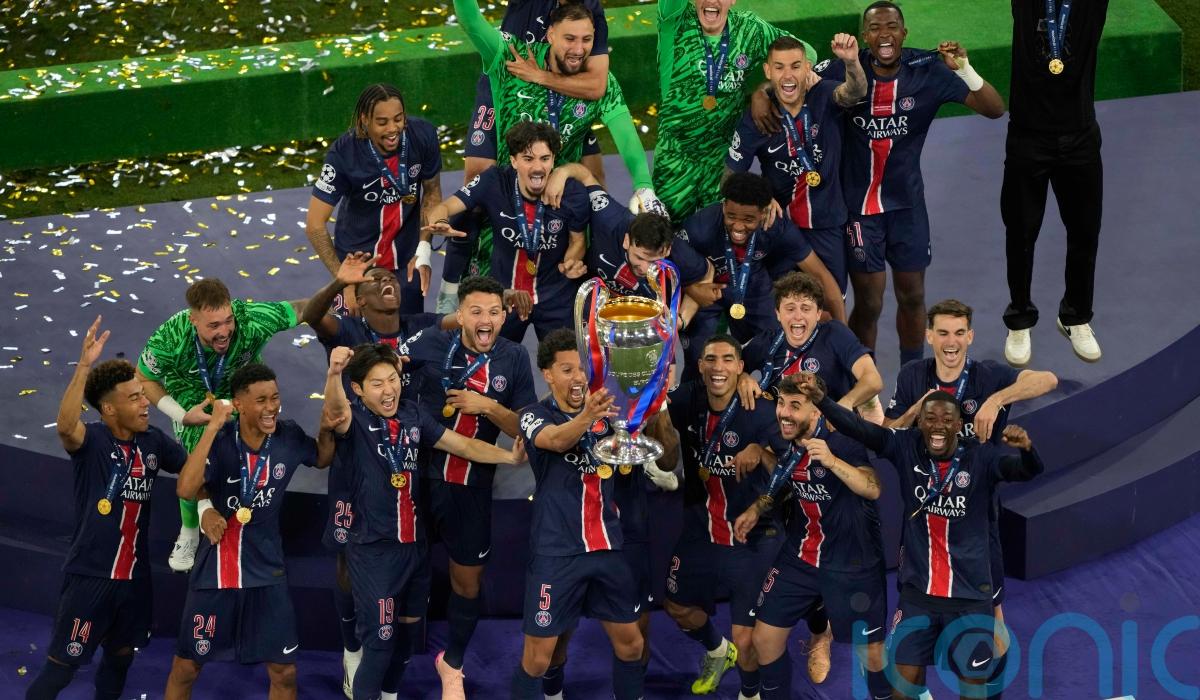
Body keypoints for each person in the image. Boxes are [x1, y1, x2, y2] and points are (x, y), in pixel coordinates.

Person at [797, 375, 1045, 700]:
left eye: (946, 420)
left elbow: (1027, 471)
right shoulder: (905, 446)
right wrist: (822, 400)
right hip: (918, 597)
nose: (937, 426)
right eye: (930, 418)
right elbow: (860, 429)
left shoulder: (980, 458)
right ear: (920, 422)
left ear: (959, 425)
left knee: (973, 691)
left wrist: (1027, 450)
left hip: (969, 597)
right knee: (900, 690)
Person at [323, 343, 524, 700]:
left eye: (392, 379)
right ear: (358, 389)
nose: (389, 390)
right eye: (377, 384)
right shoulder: (353, 420)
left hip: (415, 548)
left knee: (409, 635)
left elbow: (462, 445)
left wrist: (509, 457)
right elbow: (335, 410)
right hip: (374, 552)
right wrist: (334, 374)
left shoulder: (412, 415)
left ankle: (390, 695)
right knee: (379, 647)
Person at [884, 298, 1057, 697]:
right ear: (929, 336)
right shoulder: (912, 375)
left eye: (959, 333)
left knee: (992, 628)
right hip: (925, 519)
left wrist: (997, 400)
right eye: (943, 333)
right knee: (913, 637)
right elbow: (889, 432)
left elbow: (1047, 380)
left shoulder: (987, 375)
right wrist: (915, 412)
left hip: (977, 522)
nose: (951, 342)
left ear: (971, 336)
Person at [820, 0, 1004, 365]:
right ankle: (866, 380)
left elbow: (994, 108)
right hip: (860, 210)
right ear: (864, 36)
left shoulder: (928, 69)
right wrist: (762, 96)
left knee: (913, 296)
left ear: (904, 33)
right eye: (875, 28)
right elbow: (792, 84)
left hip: (907, 207)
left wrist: (965, 69)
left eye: (892, 27)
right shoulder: (842, 68)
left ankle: (912, 376)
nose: (884, 35)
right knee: (869, 302)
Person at [301, 251, 451, 696]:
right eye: (374, 281)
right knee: (348, 557)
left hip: (401, 458)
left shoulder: (418, 324)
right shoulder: (347, 328)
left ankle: (378, 656)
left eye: (391, 277)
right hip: (354, 462)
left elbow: (458, 320)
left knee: (398, 553)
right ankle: (353, 646)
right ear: (358, 300)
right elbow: (312, 315)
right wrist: (339, 282)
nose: (387, 283)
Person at [444, 0, 659, 291]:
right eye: (570, 39)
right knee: (489, 297)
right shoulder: (512, 57)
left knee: (568, 285)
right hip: (506, 205)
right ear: (551, 34)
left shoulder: (599, 83)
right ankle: (449, 286)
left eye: (586, 40)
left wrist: (644, 185)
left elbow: (626, 135)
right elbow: (471, 21)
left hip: (559, 207)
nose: (579, 49)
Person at [25, 318, 187, 700]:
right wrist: (84, 366)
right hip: (91, 577)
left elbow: (193, 470)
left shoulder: (153, 442)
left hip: (136, 580)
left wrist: (211, 431)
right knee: (60, 671)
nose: (145, 403)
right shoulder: (92, 442)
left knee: (120, 660)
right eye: (134, 398)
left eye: (142, 395)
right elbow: (66, 427)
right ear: (109, 409)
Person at [395, 276, 537, 695]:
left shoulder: (514, 357)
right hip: (418, 480)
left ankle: (452, 664)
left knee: (467, 581)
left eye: (493, 312)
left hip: (472, 486)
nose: (485, 320)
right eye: (475, 312)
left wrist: (488, 406)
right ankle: (393, 656)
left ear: (504, 316)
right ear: (459, 315)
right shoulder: (431, 342)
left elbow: (525, 428)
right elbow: (387, 368)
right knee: (405, 573)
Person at [163, 364, 336, 699]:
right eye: (261, 400)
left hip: (267, 573)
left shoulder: (288, 436)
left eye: (275, 398)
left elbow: (321, 457)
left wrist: (327, 430)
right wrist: (212, 429)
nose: (272, 407)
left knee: (285, 672)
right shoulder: (220, 441)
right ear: (239, 404)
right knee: (186, 668)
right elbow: (186, 487)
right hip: (216, 572)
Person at [512, 329, 660, 700]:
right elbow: (555, 440)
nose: (578, 378)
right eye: (567, 370)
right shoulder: (533, 415)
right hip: (557, 550)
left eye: (582, 369)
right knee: (539, 658)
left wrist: (651, 396)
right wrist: (587, 416)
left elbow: (646, 438)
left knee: (632, 645)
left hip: (608, 545)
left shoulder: (609, 414)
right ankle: (552, 695)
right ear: (547, 374)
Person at [731, 373, 890, 700]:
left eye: (795, 406)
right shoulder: (781, 439)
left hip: (853, 563)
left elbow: (873, 488)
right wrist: (757, 507)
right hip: (800, 557)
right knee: (764, 639)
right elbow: (784, 477)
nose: (784, 413)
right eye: (781, 403)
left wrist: (831, 462)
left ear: (816, 411)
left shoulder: (843, 441)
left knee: (871, 653)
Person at [137, 278, 305, 573]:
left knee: (256, 442)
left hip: (242, 386)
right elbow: (144, 377)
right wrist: (181, 415)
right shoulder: (170, 337)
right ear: (194, 320)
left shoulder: (250, 319)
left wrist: (343, 294)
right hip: (193, 396)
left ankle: (254, 514)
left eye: (228, 321)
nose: (224, 331)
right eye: (213, 325)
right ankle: (191, 527)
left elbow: (301, 309)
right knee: (198, 448)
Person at [656, 335, 784, 699]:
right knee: (678, 606)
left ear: (741, 367)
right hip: (701, 530)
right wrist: (656, 400)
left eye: (729, 359)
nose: (718, 367)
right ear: (699, 366)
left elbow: (791, 471)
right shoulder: (687, 399)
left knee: (747, 639)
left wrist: (761, 451)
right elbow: (662, 451)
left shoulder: (761, 410)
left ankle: (750, 693)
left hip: (754, 537)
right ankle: (717, 650)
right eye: (711, 359)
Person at [1001, 0, 1109, 366]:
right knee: (1020, 232)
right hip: (1028, 137)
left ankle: (1075, 316)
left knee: (1085, 232)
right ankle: (1020, 318)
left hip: (1080, 137)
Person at [421, 121, 590, 342]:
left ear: (553, 160)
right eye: (528, 159)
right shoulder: (494, 181)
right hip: (504, 298)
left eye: (544, 158)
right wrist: (441, 221)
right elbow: (443, 207)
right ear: (513, 161)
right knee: (490, 360)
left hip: (556, 297)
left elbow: (578, 241)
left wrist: (570, 262)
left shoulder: (572, 193)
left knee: (566, 359)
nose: (537, 168)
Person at [726, 33, 867, 293]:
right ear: (768, 71)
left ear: (807, 68)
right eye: (779, 67)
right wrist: (760, 197)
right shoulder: (757, 117)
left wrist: (851, 62)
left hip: (826, 224)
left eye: (795, 66)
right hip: (780, 227)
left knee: (829, 301)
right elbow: (730, 175)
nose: (788, 75)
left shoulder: (825, 95)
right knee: (781, 304)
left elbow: (855, 92)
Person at [652, 0, 814, 221]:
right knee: (667, 231)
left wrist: (766, 89)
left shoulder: (750, 30)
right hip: (675, 160)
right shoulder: (675, 20)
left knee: (722, 232)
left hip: (724, 160)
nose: (711, 1)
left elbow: (808, 55)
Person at [673, 173, 844, 378]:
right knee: (700, 361)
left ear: (763, 213)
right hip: (705, 292)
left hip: (753, 287)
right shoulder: (700, 227)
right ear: (724, 206)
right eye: (731, 216)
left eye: (748, 219)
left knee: (780, 346)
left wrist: (843, 337)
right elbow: (666, 268)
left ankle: (767, 394)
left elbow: (819, 274)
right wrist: (692, 289)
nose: (738, 226)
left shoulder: (775, 225)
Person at [306, 83, 446, 315]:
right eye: (382, 122)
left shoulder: (423, 136)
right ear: (365, 120)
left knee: (408, 334)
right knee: (355, 337)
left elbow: (432, 191)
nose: (393, 129)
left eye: (398, 119)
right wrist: (343, 279)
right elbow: (314, 225)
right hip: (358, 268)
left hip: (407, 263)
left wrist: (424, 249)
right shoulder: (343, 153)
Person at [461, 0, 611, 186]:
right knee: (478, 176)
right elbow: (471, 20)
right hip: (507, 87)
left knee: (594, 176)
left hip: (561, 95)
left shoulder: (591, 9)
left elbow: (596, 86)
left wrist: (539, 76)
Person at [738, 272, 883, 420]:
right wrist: (742, 377)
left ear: (818, 313)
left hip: (832, 426)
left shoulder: (835, 335)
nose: (798, 316)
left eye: (806, 309)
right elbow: (731, 366)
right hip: (785, 426)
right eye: (790, 309)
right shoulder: (767, 342)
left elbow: (873, 379)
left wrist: (845, 404)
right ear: (778, 314)